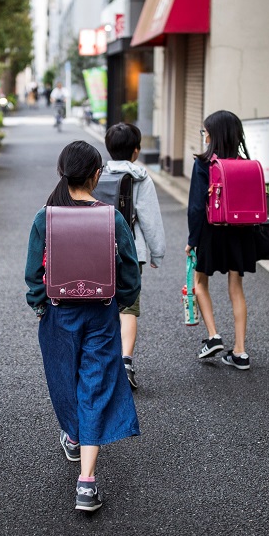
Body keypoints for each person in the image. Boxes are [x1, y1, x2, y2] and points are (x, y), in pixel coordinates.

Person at [25, 140, 141, 512]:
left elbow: (33, 274)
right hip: (101, 314)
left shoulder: (46, 216)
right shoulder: (111, 217)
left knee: (64, 382)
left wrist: (40, 305)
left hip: (59, 314)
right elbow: (129, 270)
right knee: (95, 386)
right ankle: (86, 484)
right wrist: (120, 300)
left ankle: (74, 436)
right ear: (96, 175)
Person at [185, 110, 258, 370]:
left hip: (211, 232)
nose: (204, 135)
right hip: (241, 233)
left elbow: (196, 207)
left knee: (199, 282)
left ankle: (213, 335)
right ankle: (240, 352)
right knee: (236, 288)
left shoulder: (203, 163)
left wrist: (192, 240)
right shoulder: (245, 163)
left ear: (213, 135)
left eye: (205, 131)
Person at [103, 123, 165, 389]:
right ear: (136, 151)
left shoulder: (97, 173)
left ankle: (104, 362)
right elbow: (150, 219)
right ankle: (126, 361)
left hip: (100, 248)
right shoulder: (141, 177)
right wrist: (157, 254)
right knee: (128, 306)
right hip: (131, 251)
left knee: (103, 303)